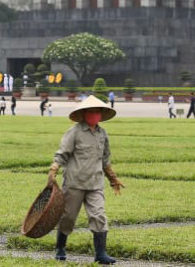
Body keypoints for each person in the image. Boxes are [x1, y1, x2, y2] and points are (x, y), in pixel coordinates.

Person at [48, 95, 125, 264]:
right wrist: (54, 168)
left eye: (97, 112)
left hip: (95, 183)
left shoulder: (102, 134)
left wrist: (113, 178)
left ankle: (101, 253)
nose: (94, 115)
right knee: (68, 217)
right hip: (75, 182)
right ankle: (60, 247)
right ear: (84, 114)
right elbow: (62, 153)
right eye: (91, 112)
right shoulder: (74, 132)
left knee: (99, 215)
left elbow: (105, 160)